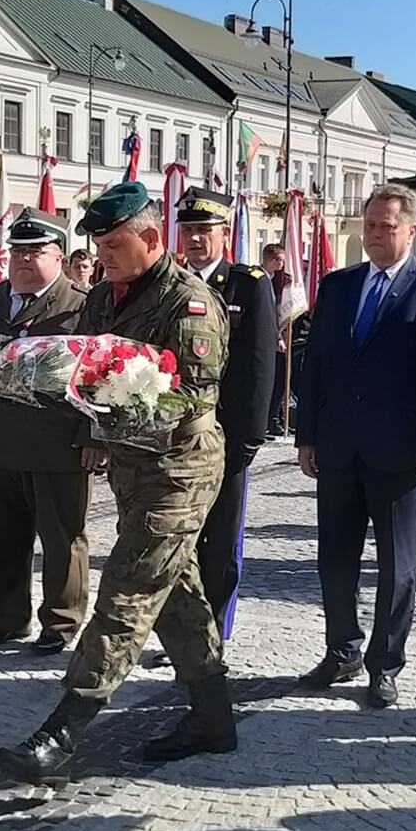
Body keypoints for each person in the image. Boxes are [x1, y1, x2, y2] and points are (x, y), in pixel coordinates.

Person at [0, 182, 232, 784]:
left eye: (114, 245)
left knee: (128, 592)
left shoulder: (190, 304)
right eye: (98, 246)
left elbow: (191, 396)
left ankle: (62, 732)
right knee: (176, 593)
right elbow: (87, 364)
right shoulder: (103, 296)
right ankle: (213, 717)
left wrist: (119, 402)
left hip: (179, 469)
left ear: (150, 238)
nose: (103, 256)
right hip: (132, 468)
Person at [295, 184, 416, 708]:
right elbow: (316, 363)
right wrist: (308, 435)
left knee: (397, 567)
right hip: (339, 448)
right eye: (370, 224)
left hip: (403, 453)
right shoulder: (339, 285)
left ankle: (385, 663)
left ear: (411, 230)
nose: (375, 234)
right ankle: (342, 649)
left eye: (386, 226)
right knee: (335, 560)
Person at [0, 208, 90, 652]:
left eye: (36, 251)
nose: (23, 259)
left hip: (55, 441)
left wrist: (91, 437)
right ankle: (8, 615)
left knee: (61, 538)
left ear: (59, 257)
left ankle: (61, 622)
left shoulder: (81, 304)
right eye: (17, 251)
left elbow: (95, 377)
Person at [176, 187, 277, 642]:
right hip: (177, 434)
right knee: (181, 537)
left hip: (225, 435)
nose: (196, 239)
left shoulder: (248, 284)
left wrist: (249, 437)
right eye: (188, 230)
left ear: (224, 232)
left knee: (219, 540)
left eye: (204, 229)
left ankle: (213, 631)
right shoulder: (170, 284)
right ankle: (182, 629)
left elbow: (259, 366)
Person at [261, 242, 292, 436]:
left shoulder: (271, 279)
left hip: (274, 337)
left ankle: (274, 419)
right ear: (272, 260)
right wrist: (277, 337)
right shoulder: (260, 279)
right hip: (267, 341)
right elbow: (267, 315)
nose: (283, 265)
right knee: (274, 381)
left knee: (280, 381)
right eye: (280, 260)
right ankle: (269, 420)